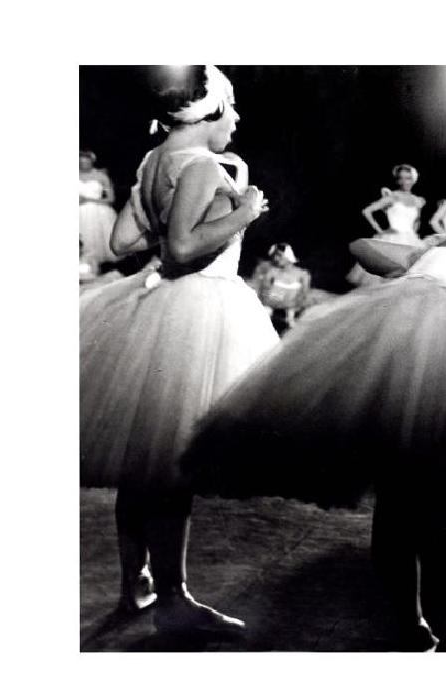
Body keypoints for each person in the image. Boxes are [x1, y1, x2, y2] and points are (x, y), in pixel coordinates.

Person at [181, 219, 446, 651]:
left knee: (399, 498)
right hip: (441, 348)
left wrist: (419, 267)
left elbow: (361, 245)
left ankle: (410, 628)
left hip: (388, 338)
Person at [80, 65, 279, 635]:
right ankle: (174, 600)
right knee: (171, 467)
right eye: (231, 108)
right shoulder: (200, 165)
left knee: (141, 463)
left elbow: (121, 240)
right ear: (209, 111)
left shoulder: (153, 161)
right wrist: (243, 213)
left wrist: (167, 225)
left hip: (158, 309)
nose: (236, 119)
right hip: (198, 309)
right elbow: (184, 250)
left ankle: (136, 587)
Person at [348, 164, 427, 287]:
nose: (404, 181)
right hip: (392, 239)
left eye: (408, 178)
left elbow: (417, 221)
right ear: (397, 180)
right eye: (401, 178)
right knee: (387, 280)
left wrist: (414, 237)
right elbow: (367, 211)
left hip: (411, 241)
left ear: (414, 179)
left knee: (409, 278)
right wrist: (379, 230)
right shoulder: (392, 196)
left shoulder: (418, 200)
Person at [252, 243, 311, 334]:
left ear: (289, 256)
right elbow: (264, 292)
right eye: (275, 256)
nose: (276, 258)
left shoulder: (303, 274)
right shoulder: (272, 272)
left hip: (292, 311)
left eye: (279, 255)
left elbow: (304, 295)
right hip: (272, 308)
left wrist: (294, 304)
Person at [79, 150, 119, 275]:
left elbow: (111, 199)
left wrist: (88, 199)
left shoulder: (101, 177)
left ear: (92, 162)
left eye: (86, 162)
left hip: (98, 212)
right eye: (81, 162)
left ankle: (95, 271)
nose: (83, 164)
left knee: (95, 242)